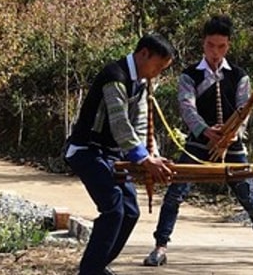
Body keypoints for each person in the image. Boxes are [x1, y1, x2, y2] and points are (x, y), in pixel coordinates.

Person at [143, 15, 253, 267]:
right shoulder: (189, 75)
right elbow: (187, 108)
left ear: (228, 46)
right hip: (198, 145)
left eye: (221, 46)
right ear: (203, 44)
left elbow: (244, 110)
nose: (215, 52)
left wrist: (230, 135)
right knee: (175, 194)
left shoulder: (239, 76)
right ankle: (160, 247)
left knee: (247, 194)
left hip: (232, 145)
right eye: (210, 46)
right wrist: (207, 131)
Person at [65, 33, 177, 275]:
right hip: (87, 151)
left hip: (113, 155)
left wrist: (152, 154)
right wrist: (146, 160)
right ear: (143, 53)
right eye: (158, 66)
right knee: (114, 209)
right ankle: (90, 271)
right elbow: (120, 125)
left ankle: (98, 266)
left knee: (130, 212)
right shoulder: (114, 76)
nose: (157, 72)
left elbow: (140, 123)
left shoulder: (142, 82)